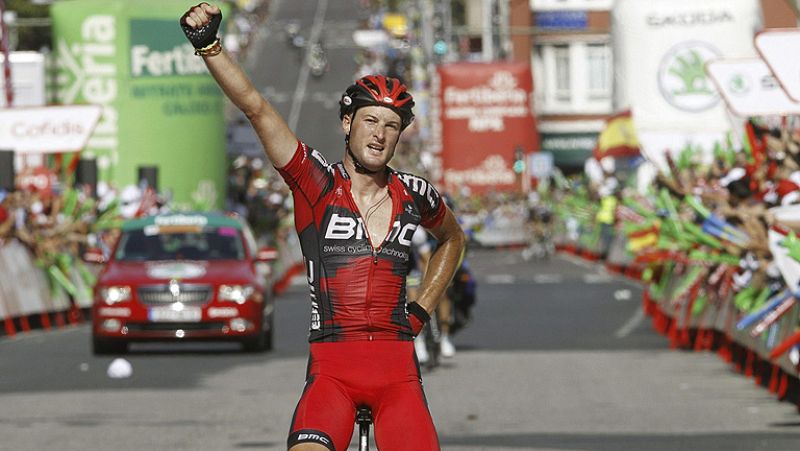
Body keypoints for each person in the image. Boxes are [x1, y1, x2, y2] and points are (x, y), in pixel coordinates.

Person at [180, 4, 466, 451]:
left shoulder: (415, 192)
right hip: (332, 372)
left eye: (392, 126)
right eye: (371, 120)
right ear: (347, 123)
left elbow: (452, 238)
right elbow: (256, 108)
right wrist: (209, 46)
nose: (380, 134)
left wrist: (422, 310)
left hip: (398, 374)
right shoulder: (316, 182)